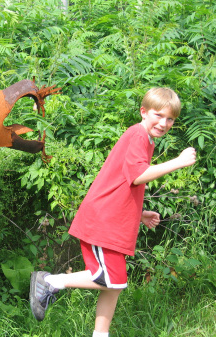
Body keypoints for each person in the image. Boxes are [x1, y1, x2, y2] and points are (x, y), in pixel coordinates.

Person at [29, 87, 197, 337]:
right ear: (143, 112)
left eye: (170, 119)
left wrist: (139, 213)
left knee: (113, 286)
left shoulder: (146, 139)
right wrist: (178, 162)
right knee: (109, 279)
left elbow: (122, 181)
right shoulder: (138, 135)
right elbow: (139, 175)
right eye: (158, 115)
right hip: (103, 221)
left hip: (112, 219)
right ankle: (50, 282)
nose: (164, 123)